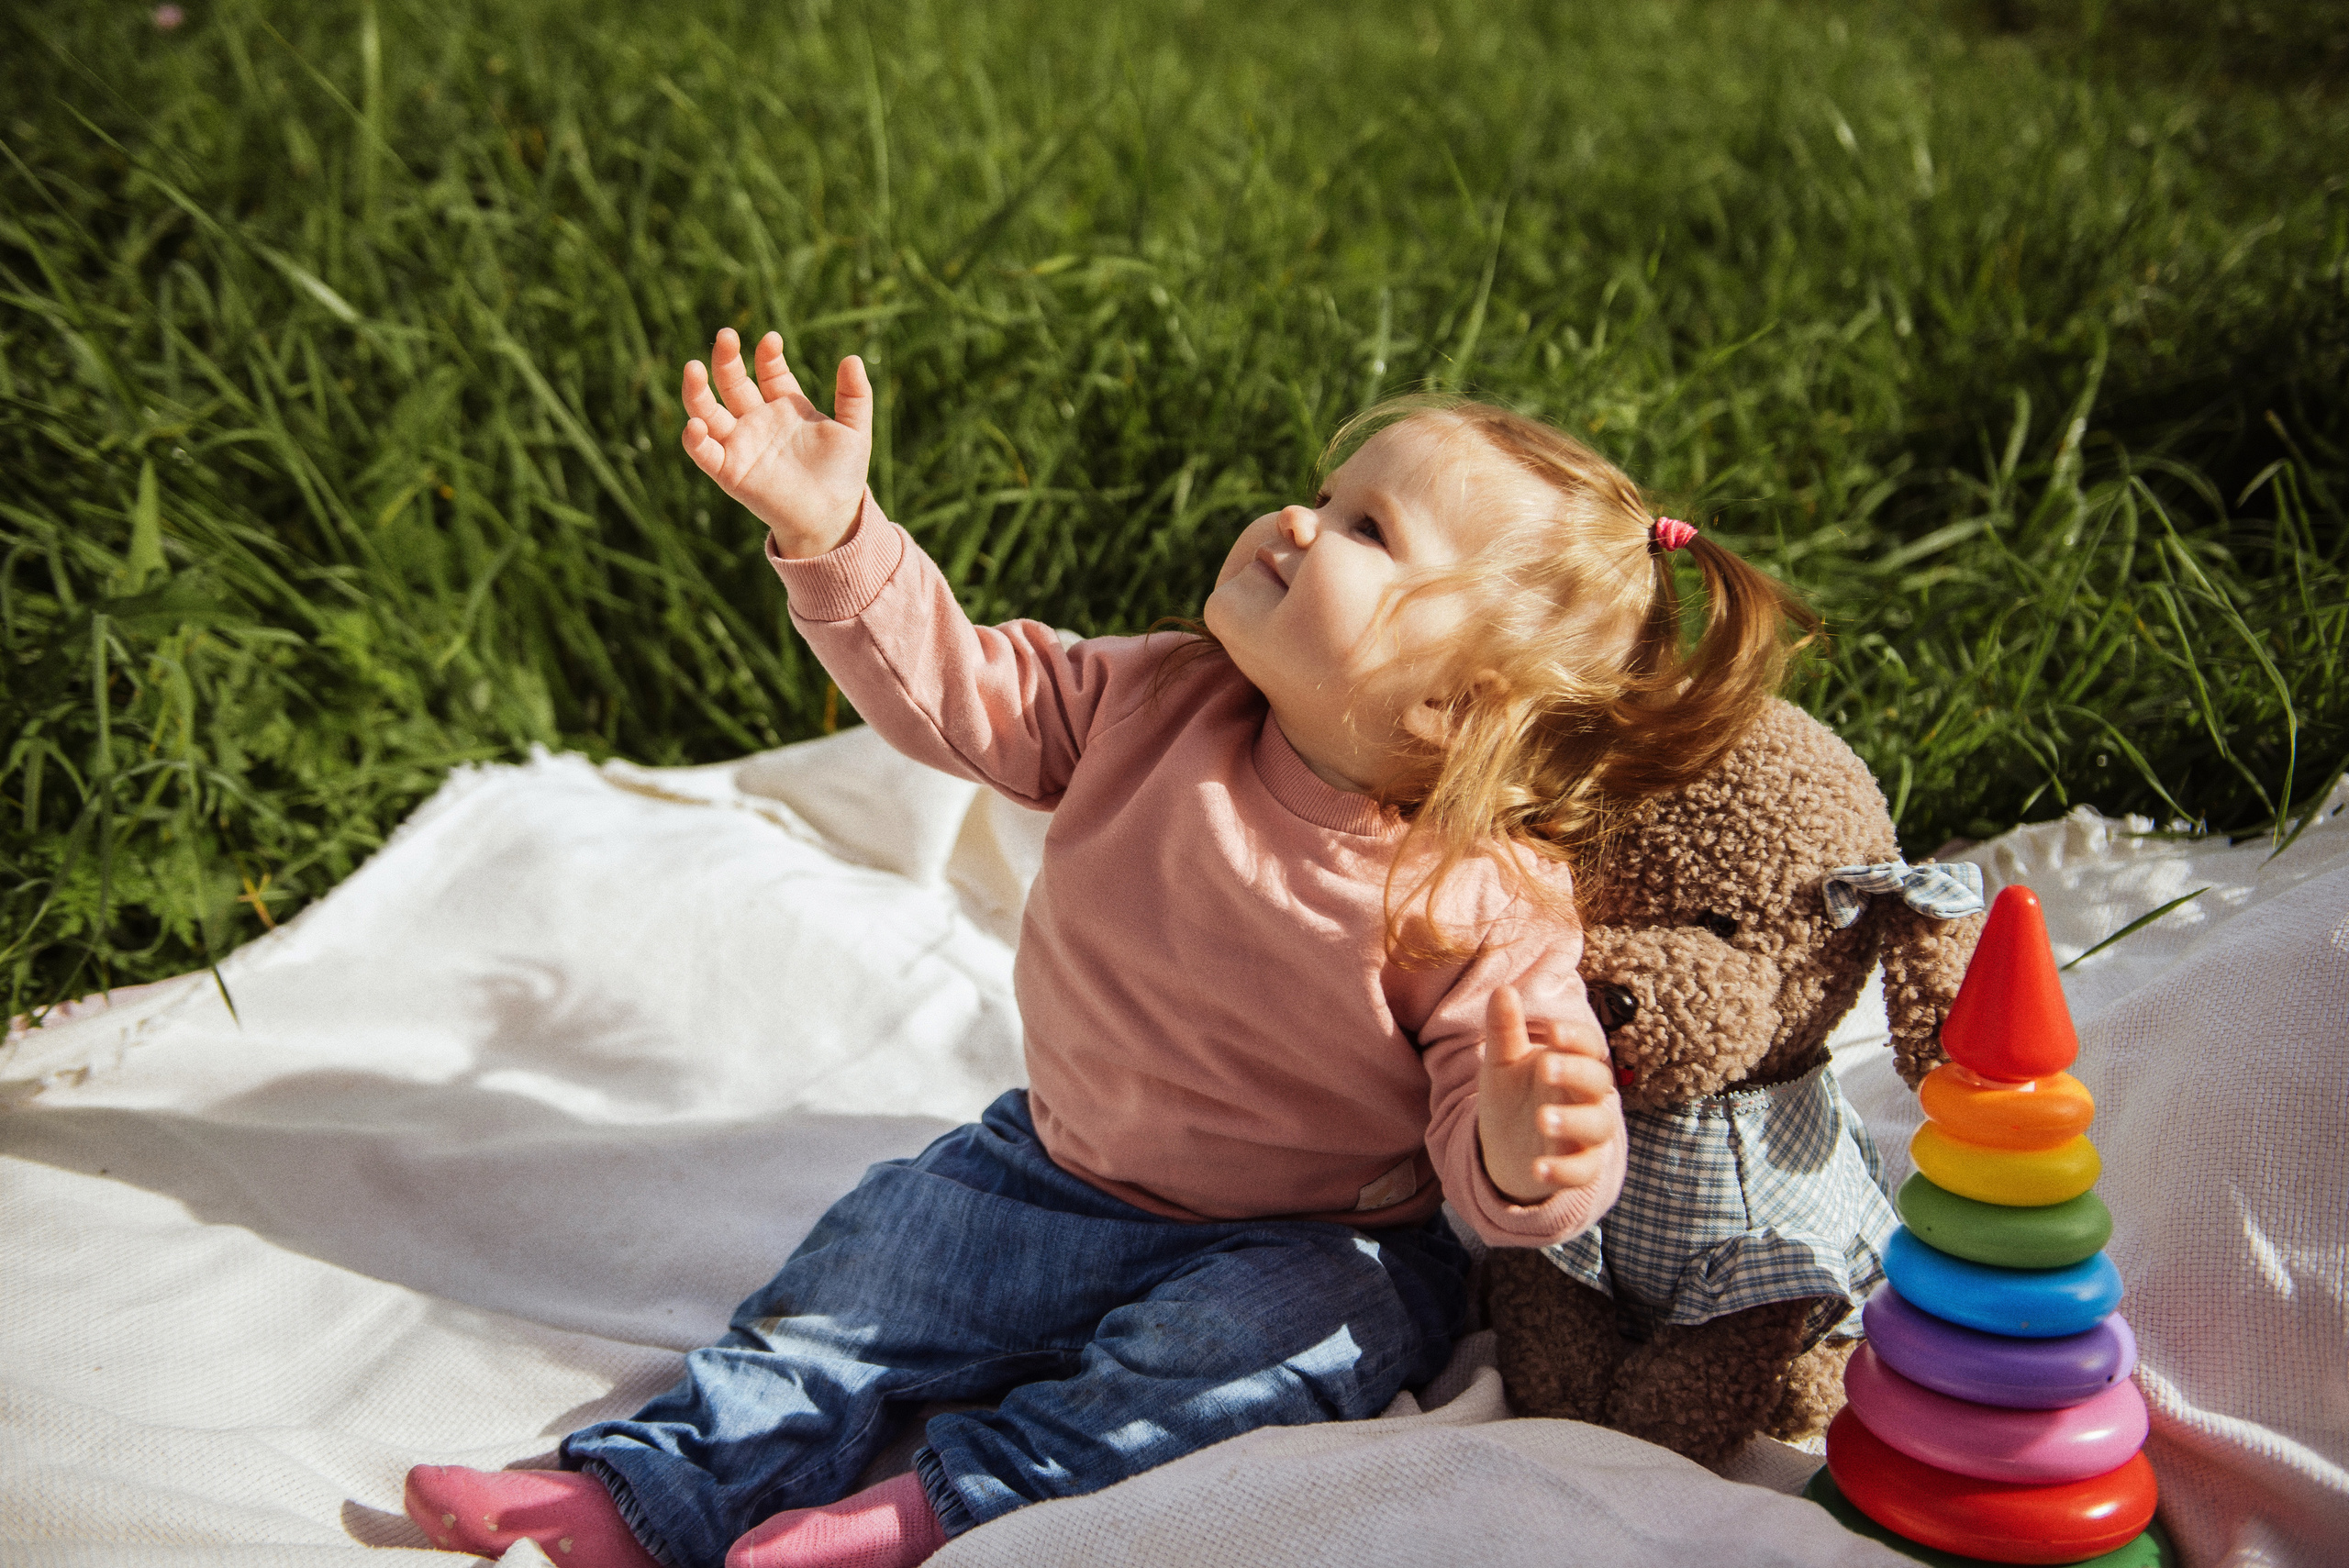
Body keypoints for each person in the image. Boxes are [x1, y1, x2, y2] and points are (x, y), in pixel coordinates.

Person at [404, 328, 1814, 1568]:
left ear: (1456, 705)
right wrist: (839, 536)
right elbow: (956, 693)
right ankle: (658, 1490)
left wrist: (1533, 1144)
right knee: (857, 1278)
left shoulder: (1474, 896)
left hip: (1318, 1233)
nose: (1297, 519)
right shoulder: (1157, 701)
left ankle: (949, 1506)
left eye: (1368, 530)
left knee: (1263, 1350)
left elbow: (1507, 1116)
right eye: (1327, 495)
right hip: (1051, 1168)